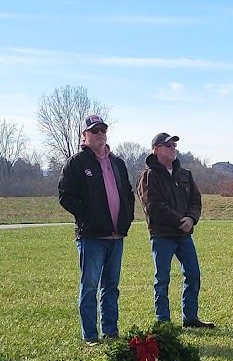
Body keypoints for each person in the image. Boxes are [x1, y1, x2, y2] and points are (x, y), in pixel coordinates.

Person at [58, 114, 134, 346]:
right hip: (91, 236)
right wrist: (87, 215)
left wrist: (126, 219)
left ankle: (110, 331)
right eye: (94, 131)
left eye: (102, 130)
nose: (99, 134)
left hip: (116, 235)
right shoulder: (76, 164)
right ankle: (90, 335)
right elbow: (65, 196)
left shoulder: (118, 163)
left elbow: (128, 194)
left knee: (111, 286)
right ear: (85, 136)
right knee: (90, 286)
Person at [137, 132, 215, 329]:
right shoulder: (149, 176)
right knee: (162, 279)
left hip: (184, 235)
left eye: (174, 145)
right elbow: (153, 206)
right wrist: (180, 220)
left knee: (193, 274)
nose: (173, 148)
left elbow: (195, 200)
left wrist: (191, 218)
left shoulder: (184, 174)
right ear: (156, 150)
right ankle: (163, 322)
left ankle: (190, 319)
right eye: (168, 145)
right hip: (162, 235)